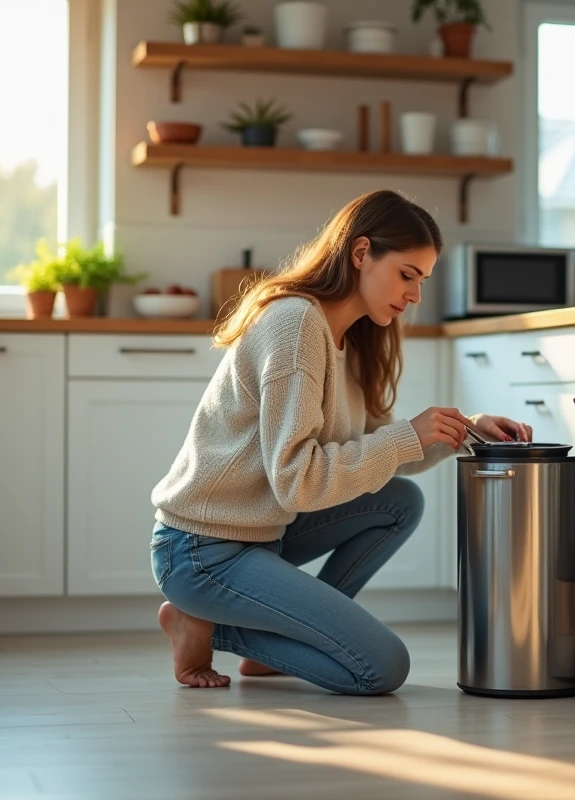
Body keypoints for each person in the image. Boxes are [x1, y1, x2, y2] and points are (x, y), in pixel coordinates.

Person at [149, 189, 533, 695]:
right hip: (202, 550)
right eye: (407, 275)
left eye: (422, 280)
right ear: (360, 254)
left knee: (399, 501)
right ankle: (200, 620)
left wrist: (462, 427)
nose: (415, 295)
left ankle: (288, 638)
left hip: (263, 532)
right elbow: (297, 483)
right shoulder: (295, 324)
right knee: (380, 667)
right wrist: (405, 436)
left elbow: (382, 453)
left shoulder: (352, 338)